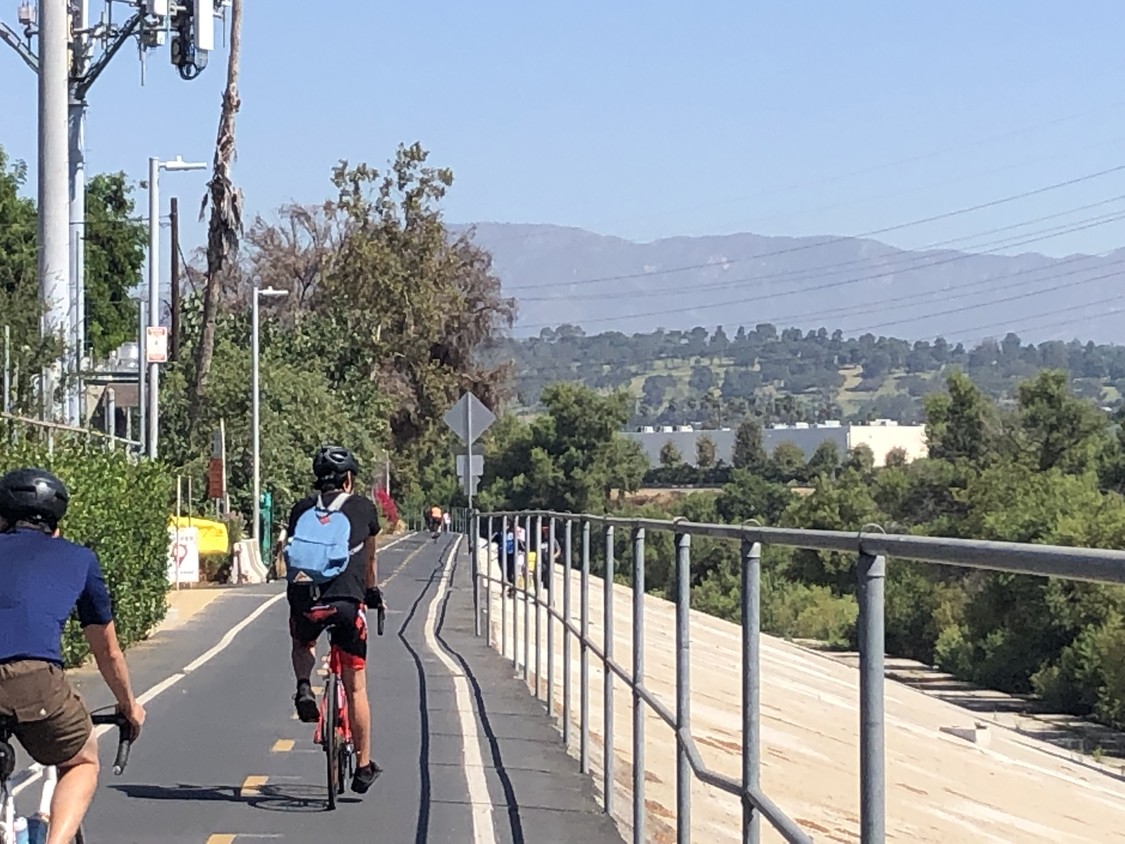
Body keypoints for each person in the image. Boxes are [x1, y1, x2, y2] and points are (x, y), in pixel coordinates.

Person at [0, 467, 145, 844]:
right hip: (36, 682)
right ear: (56, 526)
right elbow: (108, 651)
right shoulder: (79, 559)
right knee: (82, 759)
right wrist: (128, 705)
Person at [285, 445, 385, 795]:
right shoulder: (363, 509)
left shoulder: (300, 510)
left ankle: (302, 685)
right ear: (348, 479)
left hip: (306, 601)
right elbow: (369, 562)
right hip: (346, 604)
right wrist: (370, 593)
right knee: (356, 685)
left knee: (302, 640)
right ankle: (363, 766)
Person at [491, 523, 526, 598]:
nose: (506, 526)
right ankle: (504, 590)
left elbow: (521, 544)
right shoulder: (500, 533)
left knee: (511, 574)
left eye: (508, 525)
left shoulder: (514, 535)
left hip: (511, 555)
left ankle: (511, 590)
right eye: (505, 524)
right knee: (504, 573)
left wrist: (523, 549)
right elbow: (492, 539)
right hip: (502, 555)